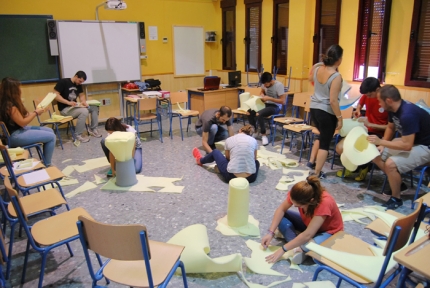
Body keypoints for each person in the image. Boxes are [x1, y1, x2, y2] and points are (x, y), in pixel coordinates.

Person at [367, 85, 430, 209]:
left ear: (389, 100)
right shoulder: (393, 109)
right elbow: (391, 127)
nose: (379, 104)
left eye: (380, 101)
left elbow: (407, 145)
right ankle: (399, 183)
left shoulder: (408, 114)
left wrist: (382, 142)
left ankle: (396, 199)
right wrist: (382, 144)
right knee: (374, 154)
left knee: (391, 164)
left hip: (425, 146)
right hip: (411, 141)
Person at [262, 175, 343, 264]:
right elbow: (281, 209)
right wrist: (270, 232)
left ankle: (300, 247)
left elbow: (308, 234)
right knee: (280, 216)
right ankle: (298, 247)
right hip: (309, 224)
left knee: (311, 245)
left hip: (329, 232)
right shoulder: (297, 193)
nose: (295, 206)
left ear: (311, 201)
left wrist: (283, 249)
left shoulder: (325, 203)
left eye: (298, 206)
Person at [335, 77, 388, 181]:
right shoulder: (367, 95)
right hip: (363, 129)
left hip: (378, 134)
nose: (368, 97)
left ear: (377, 90)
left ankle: (363, 167)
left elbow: (390, 127)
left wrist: (371, 125)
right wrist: (358, 110)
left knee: (358, 148)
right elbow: (360, 103)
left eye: (369, 95)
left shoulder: (387, 101)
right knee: (340, 148)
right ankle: (354, 167)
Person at [0, 77, 56, 166]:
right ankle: (47, 164)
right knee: (52, 137)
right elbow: (23, 122)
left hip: (18, 131)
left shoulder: (7, 102)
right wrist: (35, 113)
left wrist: (37, 111)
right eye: (18, 88)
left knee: (50, 131)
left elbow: (24, 116)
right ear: (13, 90)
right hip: (15, 136)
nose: (20, 90)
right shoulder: (10, 106)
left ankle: (45, 160)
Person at [307, 44, 344, 179]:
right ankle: (316, 173)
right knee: (325, 144)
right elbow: (333, 100)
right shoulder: (336, 76)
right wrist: (339, 118)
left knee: (321, 137)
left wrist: (318, 64)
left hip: (314, 109)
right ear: (339, 59)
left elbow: (309, 78)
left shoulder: (318, 69)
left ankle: (313, 164)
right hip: (326, 112)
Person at [192, 125, 260, 183]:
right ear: (250, 135)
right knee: (257, 162)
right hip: (250, 178)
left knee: (215, 152)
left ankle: (200, 160)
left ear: (240, 130)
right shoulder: (254, 141)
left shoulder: (229, 139)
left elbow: (228, 158)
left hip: (231, 177)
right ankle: (220, 169)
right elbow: (254, 159)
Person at [54, 71, 102, 143]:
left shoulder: (78, 85)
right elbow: (55, 95)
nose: (80, 83)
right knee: (84, 111)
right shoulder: (63, 82)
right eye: (80, 81)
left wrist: (83, 102)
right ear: (76, 76)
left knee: (94, 107)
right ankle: (78, 135)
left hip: (74, 107)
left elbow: (81, 95)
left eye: (81, 82)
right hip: (65, 109)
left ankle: (93, 129)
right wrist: (68, 102)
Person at [247, 72, 286, 146]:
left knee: (259, 114)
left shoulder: (279, 85)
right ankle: (255, 131)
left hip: (275, 106)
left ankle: (263, 135)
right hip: (265, 104)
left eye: (266, 84)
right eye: (264, 84)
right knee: (249, 112)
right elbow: (262, 91)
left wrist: (270, 98)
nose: (265, 86)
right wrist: (261, 94)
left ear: (271, 81)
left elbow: (283, 101)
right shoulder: (264, 83)